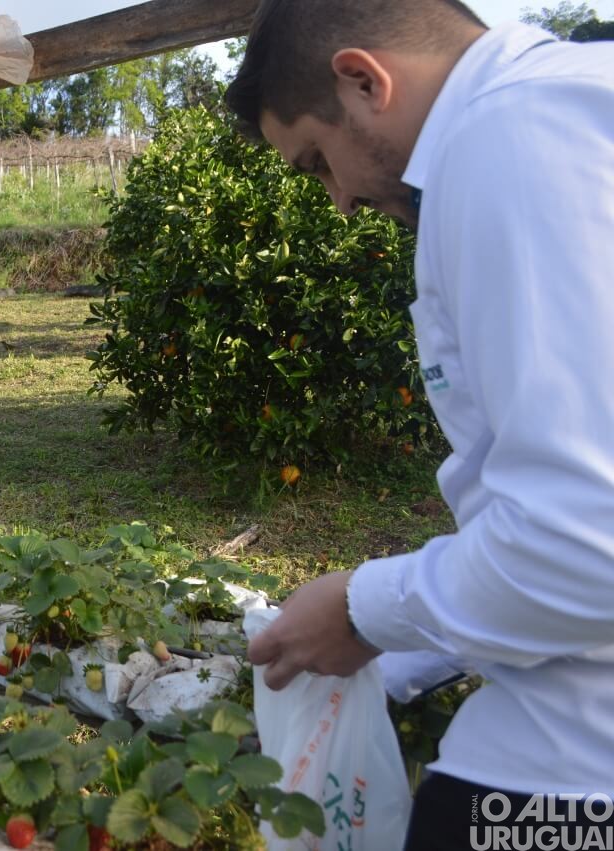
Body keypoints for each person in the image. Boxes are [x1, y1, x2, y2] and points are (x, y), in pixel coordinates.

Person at [225, 0, 614, 846]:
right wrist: (396, 652)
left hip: (574, 772)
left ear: (364, 80)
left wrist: (366, 610)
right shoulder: (567, 103)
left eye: (317, 161)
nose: (337, 202)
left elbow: (588, 541)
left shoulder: (509, 141)